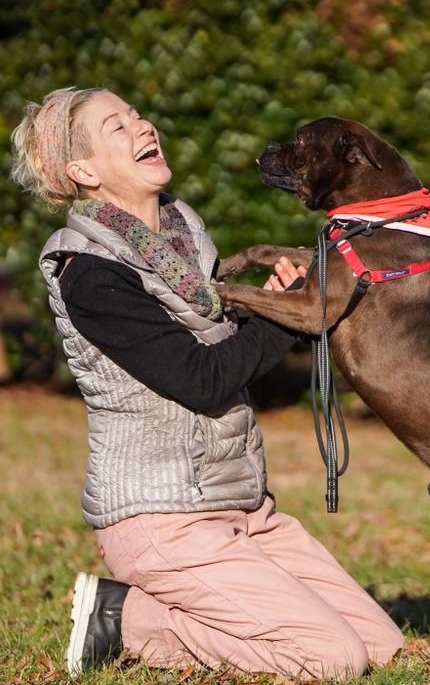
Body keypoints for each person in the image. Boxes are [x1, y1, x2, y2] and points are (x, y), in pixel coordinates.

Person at [10, 87, 404, 679]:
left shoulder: (185, 240)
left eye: (137, 114)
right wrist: (292, 313)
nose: (142, 126)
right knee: (332, 660)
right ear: (81, 170)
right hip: (163, 519)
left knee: (380, 649)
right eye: (116, 126)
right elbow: (201, 379)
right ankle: (126, 618)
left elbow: (216, 339)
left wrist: (272, 305)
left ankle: (167, 612)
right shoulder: (86, 272)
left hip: (244, 509)